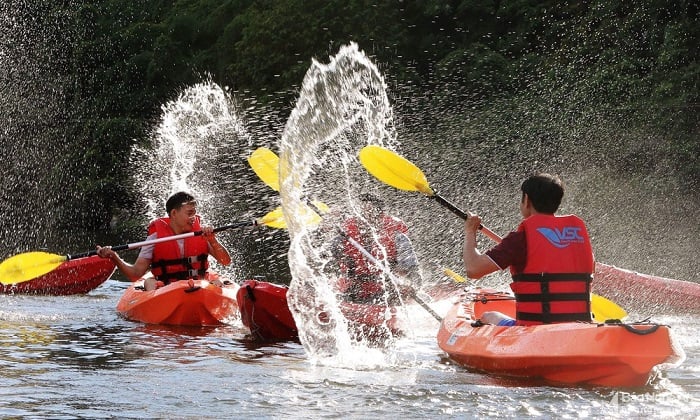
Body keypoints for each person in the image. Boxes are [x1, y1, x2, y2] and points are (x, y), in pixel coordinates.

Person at [463, 173, 594, 326]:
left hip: (534, 331)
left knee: (488, 316)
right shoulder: (578, 237)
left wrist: (470, 231)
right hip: (580, 330)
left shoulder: (520, 239)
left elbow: (473, 269)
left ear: (526, 200)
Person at [97, 191, 231, 291]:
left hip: (199, 286)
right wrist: (114, 257)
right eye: (189, 213)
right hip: (167, 289)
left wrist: (213, 241)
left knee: (217, 282)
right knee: (149, 282)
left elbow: (226, 261)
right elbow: (135, 274)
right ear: (173, 213)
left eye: (194, 213)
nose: (193, 217)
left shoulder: (201, 233)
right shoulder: (155, 237)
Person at [333, 193, 421, 304]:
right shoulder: (345, 234)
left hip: (388, 289)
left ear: (379, 213)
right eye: (361, 213)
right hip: (356, 290)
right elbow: (328, 261)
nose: (364, 218)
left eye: (369, 211)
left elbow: (412, 269)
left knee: (394, 294)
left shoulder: (395, 233)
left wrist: (411, 286)